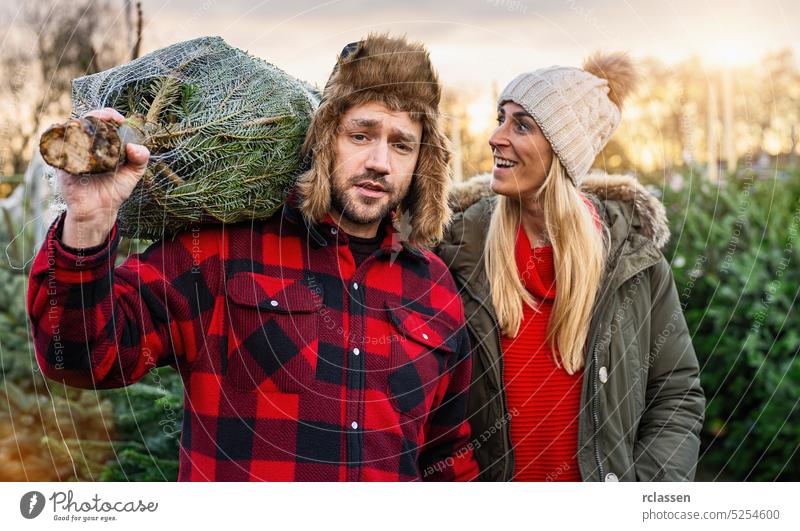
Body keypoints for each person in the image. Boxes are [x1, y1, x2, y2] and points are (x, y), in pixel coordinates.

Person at [28, 34, 479, 482]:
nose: (380, 161)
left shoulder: (434, 288)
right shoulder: (224, 252)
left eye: (402, 144)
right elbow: (82, 355)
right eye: (360, 135)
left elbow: (448, 458)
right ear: (326, 137)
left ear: (423, 159)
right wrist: (88, 221)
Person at [437, 53, 705, 481]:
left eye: (521, 125)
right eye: (500, 118)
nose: (495, 137)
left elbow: (674, 393)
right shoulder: (456, 249)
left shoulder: (631, 259)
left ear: (563, 151)